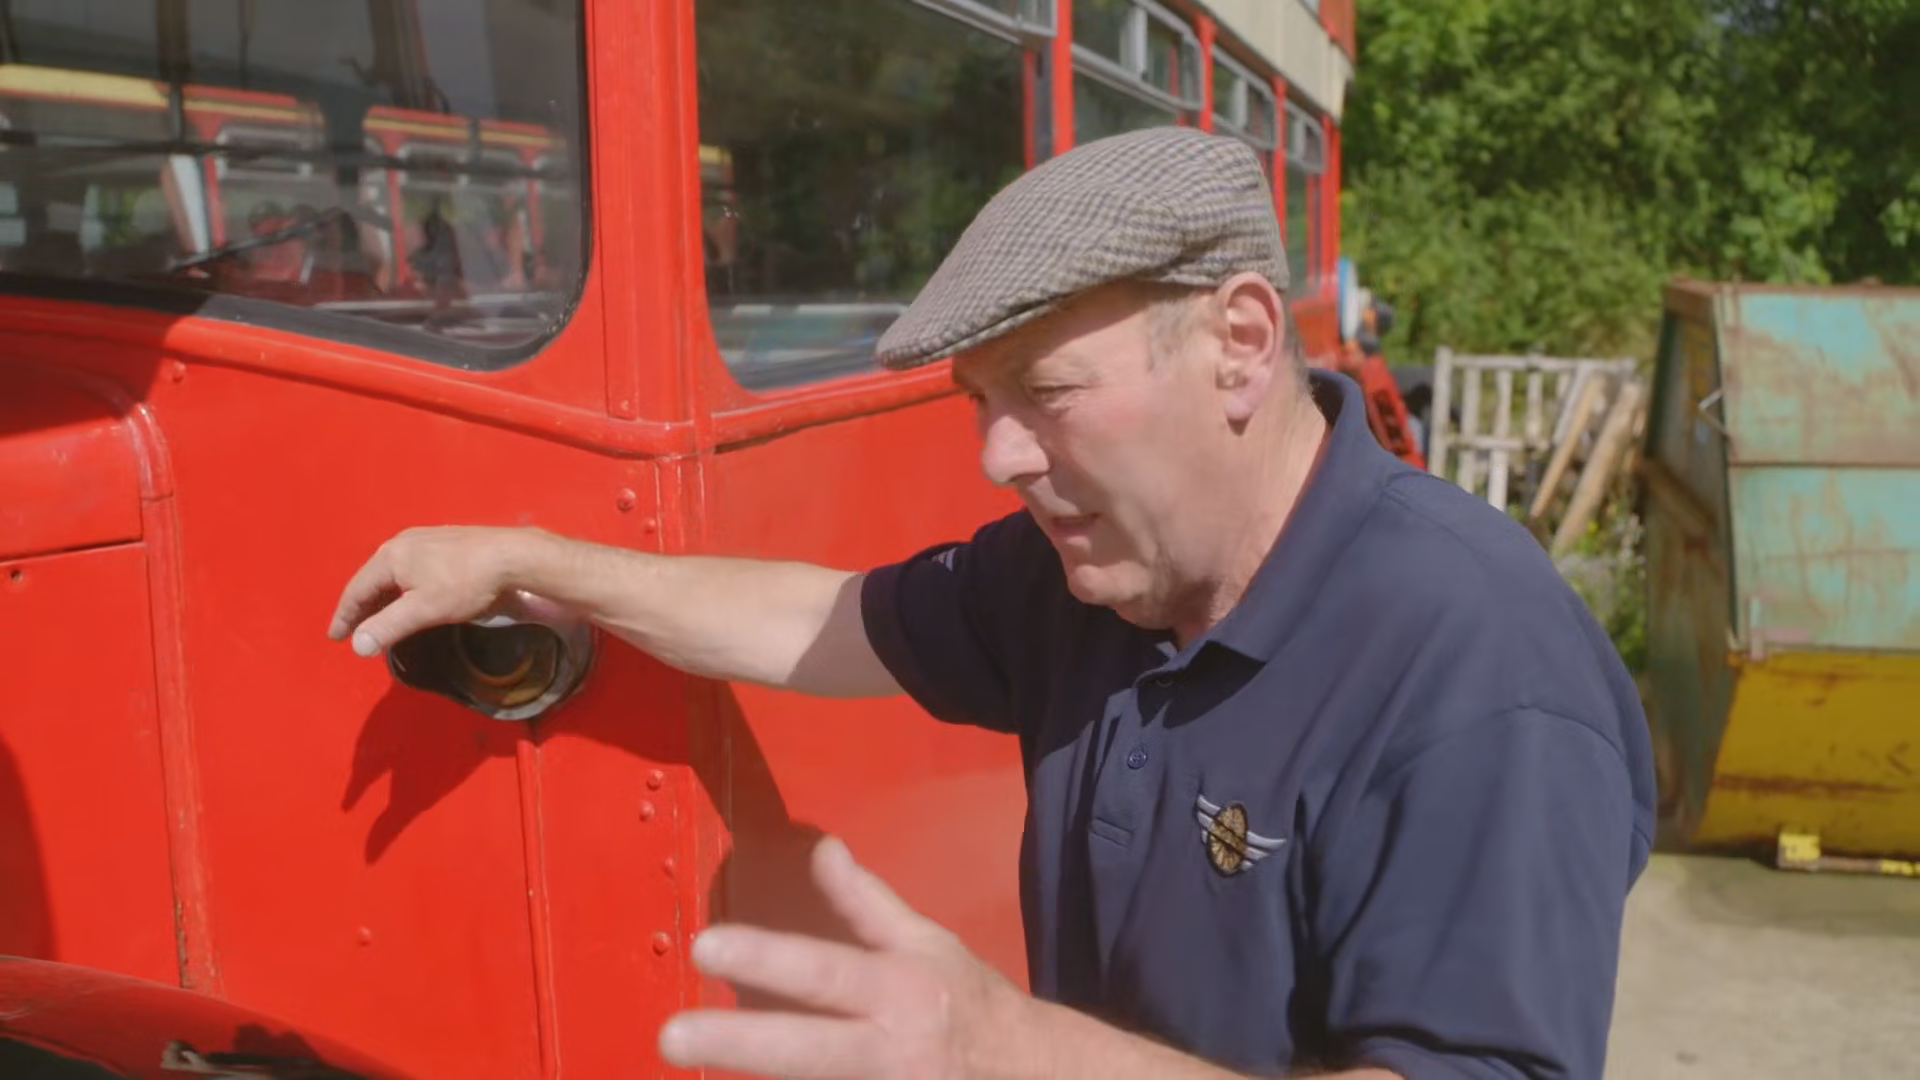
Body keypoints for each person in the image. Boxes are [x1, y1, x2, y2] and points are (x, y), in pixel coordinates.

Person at [328, 127, 1656, 1079]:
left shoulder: (1481, 668)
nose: (998, 457)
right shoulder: (1090, 578)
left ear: (1241, 344)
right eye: (980, 403)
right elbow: (820, 623)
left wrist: (1008, 1048)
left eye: (1046, 392)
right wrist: (538, 561)